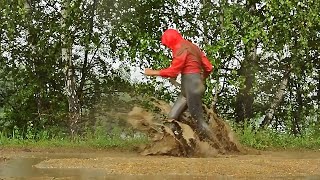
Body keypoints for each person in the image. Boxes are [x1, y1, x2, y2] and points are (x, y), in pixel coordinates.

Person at [144, 28, 214, 139]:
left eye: (167, 44)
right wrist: (201, 79)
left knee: (199, 121)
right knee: (172, 117)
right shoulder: (194, 47)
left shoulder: (180, 48)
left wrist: (152, 72)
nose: (168, 47)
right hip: (190, 86)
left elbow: (174, 70)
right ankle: (173, 144)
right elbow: (209, 68)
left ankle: (219, 147)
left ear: (170, 40)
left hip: (191, 85)